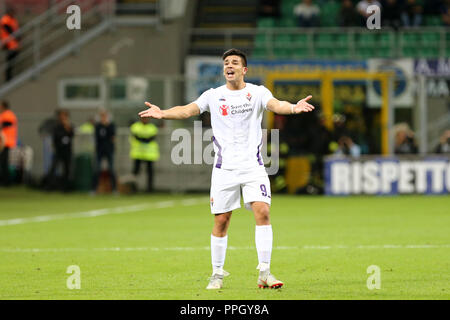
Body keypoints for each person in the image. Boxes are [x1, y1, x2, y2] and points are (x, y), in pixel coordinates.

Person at [138, 48, 315, 290]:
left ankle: (265, 272)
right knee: (222, 220)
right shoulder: (213, 95)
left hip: (253, 167)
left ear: (244, 70)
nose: (228, 66)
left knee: (262, 212)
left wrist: (294, 107)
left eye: (234, 62)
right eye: (226, 63)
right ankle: (217, 274)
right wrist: (163, 113)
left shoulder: (257, 92)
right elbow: (188, 110)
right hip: (224, 170)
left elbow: (276, 104)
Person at [45, 109, 74, 191]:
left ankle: (66, 188)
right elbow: (56, 137)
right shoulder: (57, 126)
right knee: (53, 168)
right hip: (58, 151)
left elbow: (71, 135)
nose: (63, 117)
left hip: (67, 151)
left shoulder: (69, 126)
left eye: (64, 116)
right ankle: (49, 186)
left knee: (67, 169)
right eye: (61, 115)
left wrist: (67, 126)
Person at [129, 116, 160, 192]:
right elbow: (136, 136)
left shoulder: (152, 127)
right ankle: (133, 189)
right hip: (138, 153)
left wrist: (143, 139)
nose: (145, 120)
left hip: (149, 154)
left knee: (150, 172)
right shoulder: (135, 126)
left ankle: (150, 189)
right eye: (143, 118)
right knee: (135, 172)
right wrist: (144, 139)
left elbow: (151, 138)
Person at [92, 109, 116, 193]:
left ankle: (114, 189)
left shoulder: (111, 125)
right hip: (100, 150)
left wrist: (107, 126)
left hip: (109, 150)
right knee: (97, 169)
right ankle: (94, 189)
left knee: (111, 169)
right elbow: (97, 137)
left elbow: (112, 137)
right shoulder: (98, 126)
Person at [0, 100, 17, 186]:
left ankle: (6, 182)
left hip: (6, 142)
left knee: (4, 162)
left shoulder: (8, 114)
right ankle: (5, 181)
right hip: (3, 142)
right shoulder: (3, 114)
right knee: (3, 162)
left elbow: (7, 123)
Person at [0, 7, 20, 81]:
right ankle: (8, 78)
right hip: (8, 44)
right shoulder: (5, 19)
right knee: (9, 61)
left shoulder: (13, 19)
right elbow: (8, 29)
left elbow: (15, 30)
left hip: (13, 44)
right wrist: (16, 36)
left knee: (12, 61)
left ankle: (10, 77)